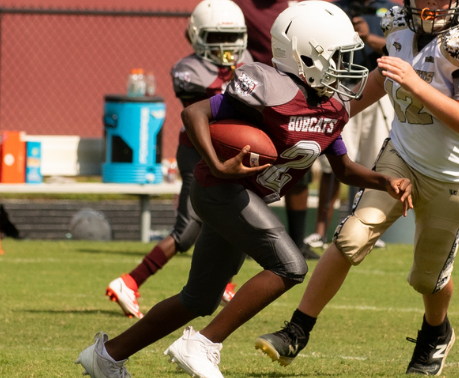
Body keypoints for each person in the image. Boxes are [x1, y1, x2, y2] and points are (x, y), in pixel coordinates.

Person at [75, 3, 412, 377]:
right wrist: (219, 164)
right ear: (305, 55)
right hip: (222, 189)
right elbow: (194, 114)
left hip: (247, 199)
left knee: (198, 299)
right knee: (290, 265)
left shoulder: (331, 106)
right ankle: (203, 344)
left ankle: (106, 354)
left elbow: (344, 169)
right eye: (338, 56)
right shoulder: (270, 86)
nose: (347, 65)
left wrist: (385, 181)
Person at [253, 0, 459, 374]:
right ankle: (296, 331)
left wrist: (414, 81)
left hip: (455, 176)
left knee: (427, 279)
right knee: (351, 237)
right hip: (402, 156)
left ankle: (437, 332)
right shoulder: (399, 30)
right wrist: (327, 116)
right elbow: (381, 81)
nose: (430, 5)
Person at [102, 0, 251, 320]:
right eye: (216, 38)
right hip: (198, 154)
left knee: (231, 218)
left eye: (232, 38)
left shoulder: (246, 62)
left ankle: (221, 281)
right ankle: (130, 280)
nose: (226, 47)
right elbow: (206, 100)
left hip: (229, 154)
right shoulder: (188, 69)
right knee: (187, 230)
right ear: (198, 37)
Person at [308, 0, 395, 248]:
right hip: (339, 89)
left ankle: (362, 227)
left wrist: (369, 38)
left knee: (372, 163)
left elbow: (399, 51)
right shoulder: (334, 10)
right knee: (333, 163)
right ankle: (320, 232)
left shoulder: (392, 10)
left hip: (376, 92)